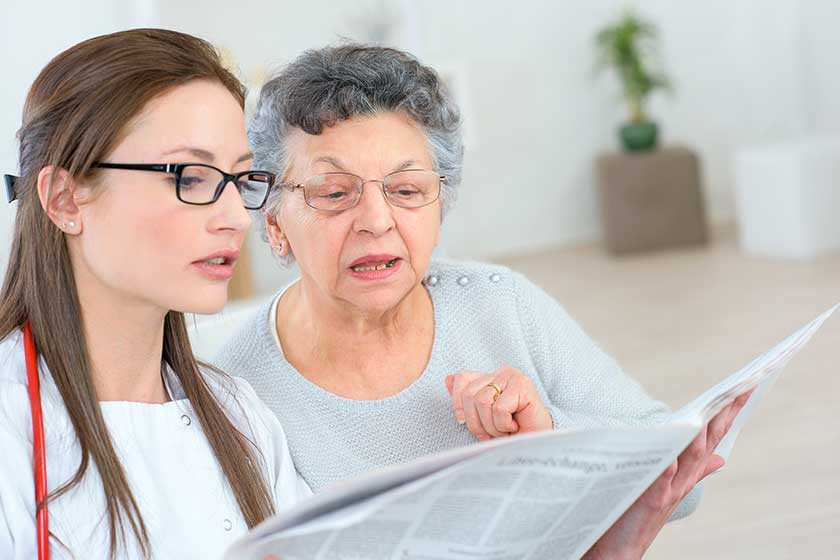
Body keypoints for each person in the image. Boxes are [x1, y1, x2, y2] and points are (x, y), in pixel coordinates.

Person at [214, 44, 749, 557]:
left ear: (440, 204)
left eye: (405, 190)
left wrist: (549, 437)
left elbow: (684, 475)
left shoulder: (501, 304)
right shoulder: (235, 395)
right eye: (333, 193)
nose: (377, 221)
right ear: (274, 221)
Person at [0, 29, 309, 559]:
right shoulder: (11, 424)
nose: (236, 217)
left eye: (240, 179)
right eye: (191, 176)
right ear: (65, 198)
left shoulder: (240, 416)